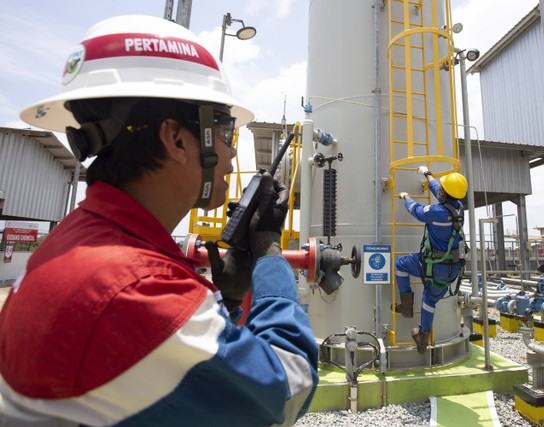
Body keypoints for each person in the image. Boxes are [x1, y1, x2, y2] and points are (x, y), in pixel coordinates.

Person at [0, 15, 318, 427]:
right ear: (178, 139)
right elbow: (285, 390)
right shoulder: (135, 289)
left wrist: (223, 297)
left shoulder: (79, 241)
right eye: (225, 133)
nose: (232, 155)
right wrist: (270, 256)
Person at [393, 166, 468, 353]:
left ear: (445, 192)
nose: (439, 189)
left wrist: (405, 197)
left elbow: (416, 210)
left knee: (400, 265)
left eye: (441, 188)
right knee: (430, 299)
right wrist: (428, 175)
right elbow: (439, 192)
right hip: (452, 268)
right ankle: (422, 334)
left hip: (433, 266)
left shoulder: (436, 212)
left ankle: (406, 307)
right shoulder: (459, 208)